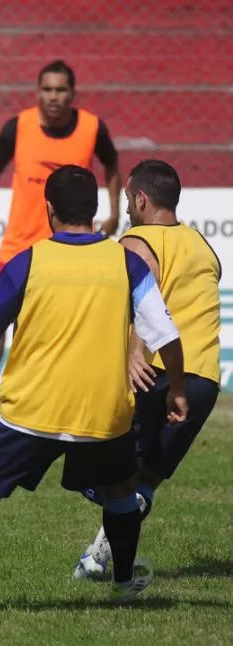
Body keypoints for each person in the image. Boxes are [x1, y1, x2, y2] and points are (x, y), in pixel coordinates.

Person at [0, 165, 188, 617]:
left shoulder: (28, 261)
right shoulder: (124, 262)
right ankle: (124, 583)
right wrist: (177, 390)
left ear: (48, 209)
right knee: (122, 487)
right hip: (103, 413)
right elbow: (165, 334)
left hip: (33, 411)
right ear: (96, 211)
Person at [74, 159, 222, 579]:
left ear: (141, 198)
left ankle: (108, 542)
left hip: (154, 373)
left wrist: (133, 352)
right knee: (146, 481)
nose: (124, 209)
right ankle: (98, 559)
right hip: (203, 380)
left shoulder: (137, 240)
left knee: (97, 466)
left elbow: (145, 293)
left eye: (126, 200)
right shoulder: (201, 245)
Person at [0, 59, 122, 427]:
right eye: (47, 89)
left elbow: (113, 166)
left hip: (72, 246)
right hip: (17, 246)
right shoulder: (17, 126)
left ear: (73, 94)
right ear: (38, 92)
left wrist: (115, 211)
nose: (54, 97)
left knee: (75, 324)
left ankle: (72, 396)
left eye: (61, 90)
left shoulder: (92, 127)